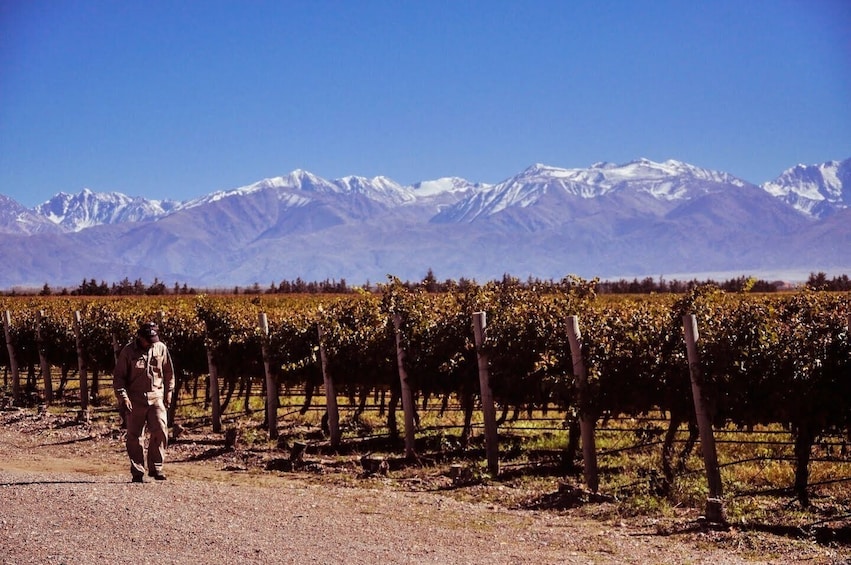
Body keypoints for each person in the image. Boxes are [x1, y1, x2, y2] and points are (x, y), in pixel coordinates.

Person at [113, 321, 175, 483]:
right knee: (134, 436)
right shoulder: (127, 352)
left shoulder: (161, 348)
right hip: (135, 399)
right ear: (140, 337)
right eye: (148, 339)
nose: (151, 342)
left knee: (160, 430)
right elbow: (119, 377)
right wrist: (123, 397)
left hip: (156, 396)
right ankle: (138, 470)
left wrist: (168, 392)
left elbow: (169, 372)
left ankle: (156, 467)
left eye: (153, 338)